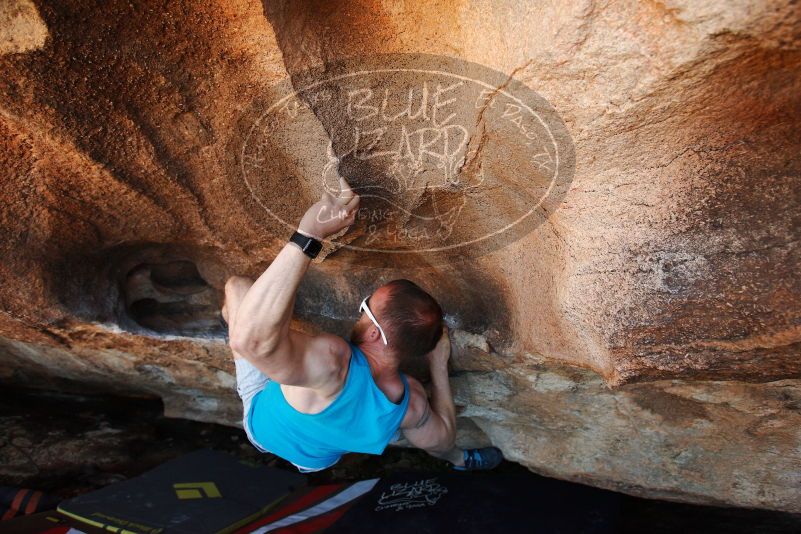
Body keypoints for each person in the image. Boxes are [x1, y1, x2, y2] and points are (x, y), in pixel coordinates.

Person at [221, 177, 502, 473]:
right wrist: (438, 366)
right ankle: (465, 464)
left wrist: (309, 235)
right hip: (315, 460)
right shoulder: (410, 402)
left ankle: (278, 343)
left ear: (373, 332)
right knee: (410, 431)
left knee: (239, 288)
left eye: (367, 306)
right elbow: (443, 438)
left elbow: (249, 342)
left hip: (262, 428)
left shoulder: (333, 361)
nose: (361, 311)